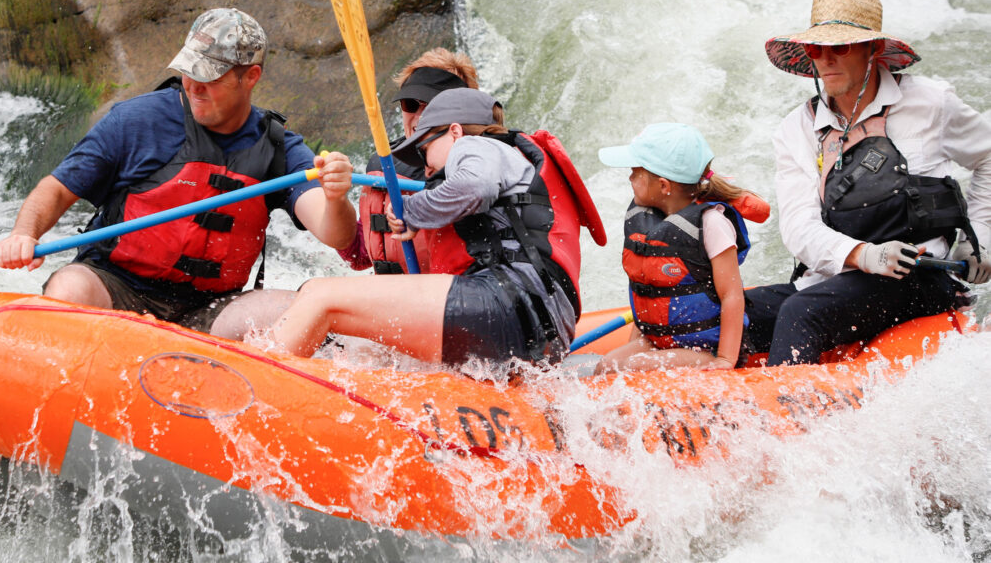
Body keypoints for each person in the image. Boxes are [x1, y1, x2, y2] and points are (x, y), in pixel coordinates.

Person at [0, 8, 357, 337]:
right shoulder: (136, 121)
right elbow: (56, 189)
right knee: (69, 288)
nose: (194, 86)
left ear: (251, 77)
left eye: (210, 77)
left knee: (303, 309)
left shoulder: (279, 148)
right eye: (189, 72)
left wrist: (335, 197)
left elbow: (336, 234)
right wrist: (24, 234)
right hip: (115, 285)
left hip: (212, 309)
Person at [269, 88, 605, 373]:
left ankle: (258, 385)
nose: (426, 166)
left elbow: (475, 186)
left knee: (320, 295)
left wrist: (413, 211)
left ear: (455, 132)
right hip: (541, 323)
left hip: (510, 306)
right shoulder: (514, 158)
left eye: (424, 149)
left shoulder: (477, 146)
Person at [745, 0, 991, 366]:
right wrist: (862, 255)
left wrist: (980, 236)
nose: (826, 60)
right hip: (838, 277)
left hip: (921, 278)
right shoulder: (795, 130)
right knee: (723, 313)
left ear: (872, 49)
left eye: (839, 47)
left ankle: (790, 419)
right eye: (816, 49)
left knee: (802, 313)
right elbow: (797, 227)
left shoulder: (931, 103)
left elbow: (988, 157)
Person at [594, 123, 768, 375]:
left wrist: (725, 359)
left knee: (630, 368)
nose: (630, 178)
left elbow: (732, 296)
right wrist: (637, 345)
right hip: (663, 339)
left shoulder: (711, 223)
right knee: (606, 366)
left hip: (704, 349)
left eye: (635, 172)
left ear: (664, 186)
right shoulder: (649, 222)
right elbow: (649, 293)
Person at [338, 48, 479, 273]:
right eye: (411, 105)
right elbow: (359, 256)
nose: (421, 116)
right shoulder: (383, 165)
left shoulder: (481, 166)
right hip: (394, 298)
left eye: (433, 106)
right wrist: (335, 198)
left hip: (453, 299)